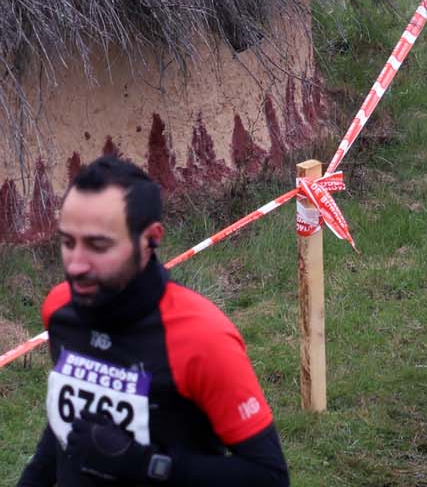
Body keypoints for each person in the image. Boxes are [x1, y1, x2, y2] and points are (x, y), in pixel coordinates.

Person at [18, 156, 290, 485]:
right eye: (67, 242)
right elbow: (67, 424)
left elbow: (269, 476)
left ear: (150, 239)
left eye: (98, 245)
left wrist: (148, 465)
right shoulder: (60, 309)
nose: (76, 265)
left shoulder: (204, 338)